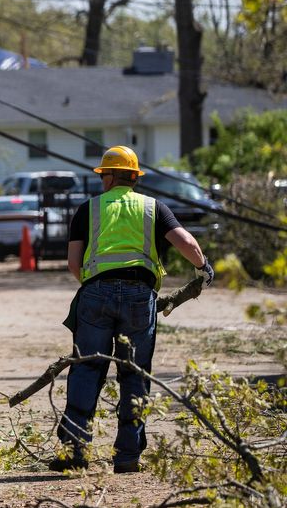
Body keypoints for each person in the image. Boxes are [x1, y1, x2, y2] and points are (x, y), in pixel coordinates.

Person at [50, 145, 214, 474]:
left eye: (103, 176)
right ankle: (127, 456)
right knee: (134, 373)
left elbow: (72, 263)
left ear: (109, 177)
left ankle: (74, 452)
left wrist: (95, 283)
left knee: (86, 368)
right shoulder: (154, 208)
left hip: (95, 295)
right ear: (135, 178)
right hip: (141, 297)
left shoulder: (88, 209)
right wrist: (204, 270)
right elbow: (189, 245)